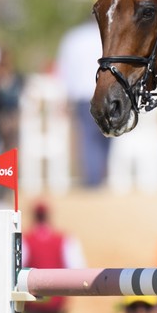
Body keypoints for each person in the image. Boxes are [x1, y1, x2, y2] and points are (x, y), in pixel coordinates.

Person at [56, 18, 110, 187]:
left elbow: (65, 69)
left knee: (88, 138)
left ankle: (93, 179)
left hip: (82, 95)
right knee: (106, 137)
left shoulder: (73, 37)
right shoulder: (107, 35)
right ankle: (98, 178)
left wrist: (65, 95)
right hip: (107, 94)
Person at [22, 200, 87, 313]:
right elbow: (78, 268)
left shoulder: (26, 239)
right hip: (57, 301)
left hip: (33, 302)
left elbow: (19, 266)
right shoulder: (63, 239)